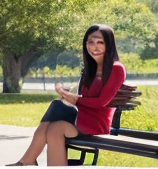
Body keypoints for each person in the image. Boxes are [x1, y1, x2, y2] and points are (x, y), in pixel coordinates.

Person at [10, 24, 126, 167]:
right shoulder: (90, 69)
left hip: (97, 123)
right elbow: (83, 99)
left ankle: (27, 161)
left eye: (100, 42)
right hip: (83, 117)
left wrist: (75, 100)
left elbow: (101, 102)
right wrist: (69, 98)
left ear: (109, 44)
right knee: (56, 107)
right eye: (90, 42)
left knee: (56, 127)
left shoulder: (116, 69)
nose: (94, 47)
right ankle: (27, 161)